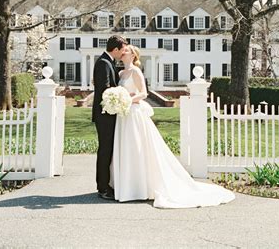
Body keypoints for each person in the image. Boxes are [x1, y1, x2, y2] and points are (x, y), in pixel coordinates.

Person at [110, 45, 235, 208]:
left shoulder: (136, 71)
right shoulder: (121, 73)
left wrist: (126, 100)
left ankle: (139, 188)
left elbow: (143, 93)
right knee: (126, 148)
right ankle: (128, 186)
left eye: (126, 50)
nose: (122, 52)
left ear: (133, 55)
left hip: (134, 113)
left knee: (137, 147)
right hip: (124, 115)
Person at [92, 35, 127, 200]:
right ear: (115, 49)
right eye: (122, 50)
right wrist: (120, 95)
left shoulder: (109, 62)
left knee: (108, 150)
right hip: (104, 115)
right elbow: (105, 89)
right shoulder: (103, 63)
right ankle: (103, 188)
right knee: (105, 151)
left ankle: (106, 185)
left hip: (109, 114)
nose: (123, 53)